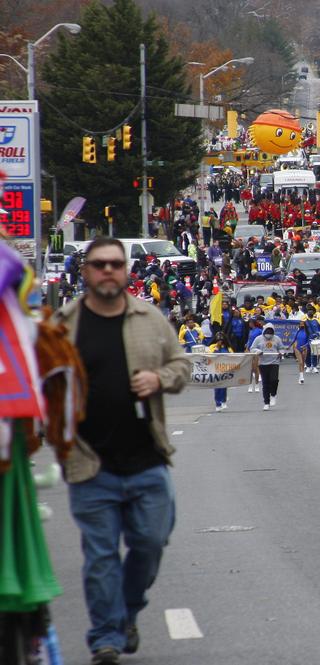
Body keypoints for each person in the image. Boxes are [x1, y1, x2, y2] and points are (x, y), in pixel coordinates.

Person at [53, 237, 191, 665]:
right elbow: (39, 381)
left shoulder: (149, 318)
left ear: (127, 271)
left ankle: (127, 611)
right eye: (99, 265)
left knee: (150, 542)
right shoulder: (64, 325)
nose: (108, 271)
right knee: (100, 558)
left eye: (116, 264)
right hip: (89, 462)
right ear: (85, 271)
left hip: (147, 458)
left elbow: (182, 366)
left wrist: (159, 379)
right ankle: (105, 638)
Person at [248, 322, 284, 410]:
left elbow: (281, 348)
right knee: (265, 383)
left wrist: (281, 353)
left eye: (270, 333)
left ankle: (273, 395)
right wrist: (258, 351)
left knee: (274, 380)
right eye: (267, 333)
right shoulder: (258, 339)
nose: (269, 335)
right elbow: (252, 348)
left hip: (274, 362)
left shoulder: (277, 339)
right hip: (263, 363)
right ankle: (266, 402)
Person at [208, 331, 233, 412]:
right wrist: (217, 348)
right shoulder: (212, 346)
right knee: (217, 387)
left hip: (225, 369)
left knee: (224, 387)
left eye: (221, 340)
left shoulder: (227, 348)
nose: (220, 341)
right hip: (215, 369)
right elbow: (210, 355)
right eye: (218, 340)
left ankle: (223, 401)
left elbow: (232, 355)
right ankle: (218, 404)